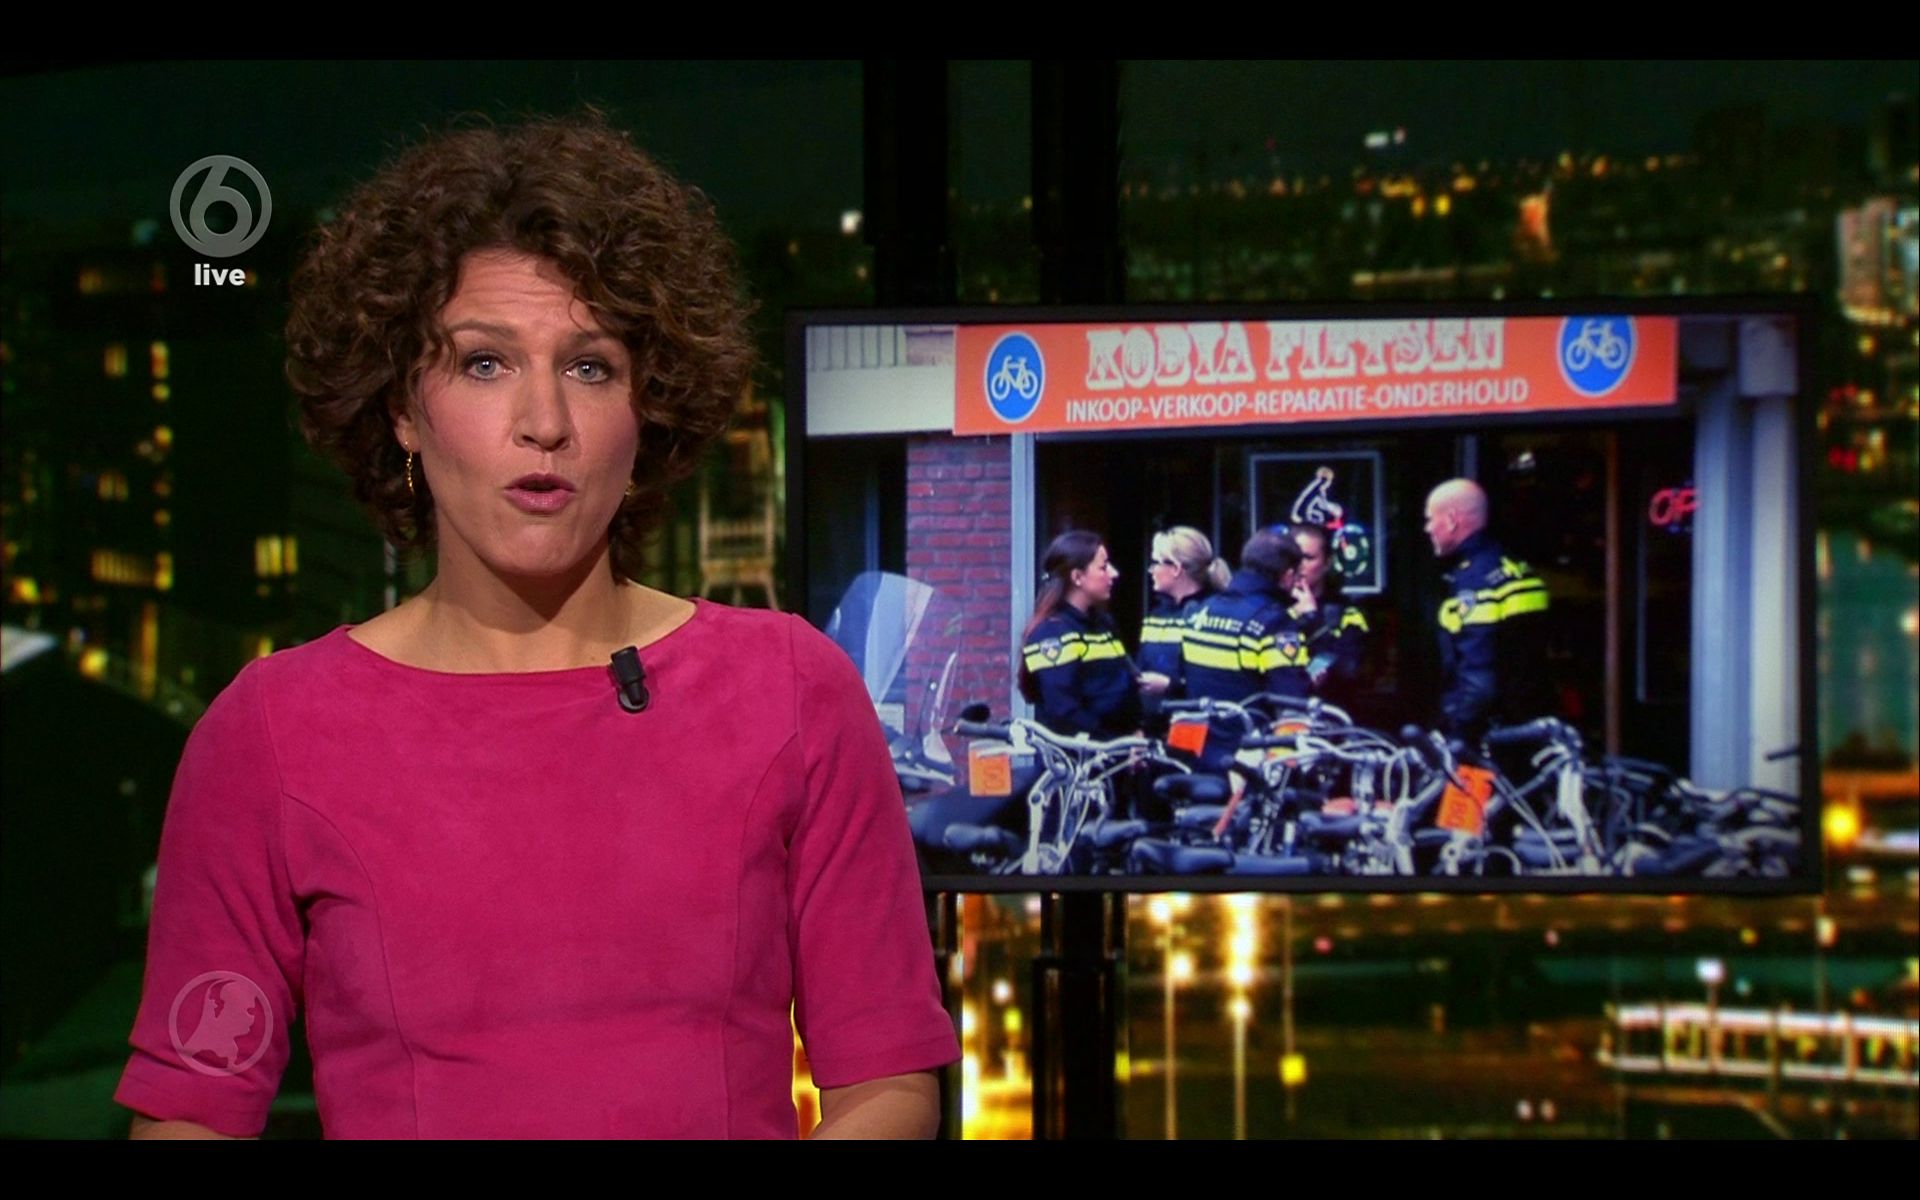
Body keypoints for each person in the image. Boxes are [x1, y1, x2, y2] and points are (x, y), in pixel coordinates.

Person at [114, 114, 957, 1140]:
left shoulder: (792, 690)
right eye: (485, 364)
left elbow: (888, 1084)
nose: (545, 422)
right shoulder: (272, 733)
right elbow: (190, 1114)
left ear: (648, 408)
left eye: (590, 367)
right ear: (402, 409)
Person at [1423, 477, 1551, 742]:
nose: (1428, 528)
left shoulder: (1473, 582)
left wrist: (1453, 735)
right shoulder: (1519, 568)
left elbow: (1479, 685)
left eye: (1430, 519)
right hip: (1532, 726)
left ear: (1451, 520)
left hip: (1491, 736)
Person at [1181, 530, 1325, 717]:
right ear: (1288, 576)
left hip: (1196, 732)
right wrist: (1309, 621)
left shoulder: (1198, 612)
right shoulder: (1274, 622)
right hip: (1249, 733)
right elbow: (1292, 702)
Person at [1018, 531, 1140, 739]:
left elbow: (1123, 687)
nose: (1114, 573)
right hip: (1081, 753)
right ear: (1077, 577)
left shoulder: (1103, 624)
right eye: (1103, 567)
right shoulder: (1051, 634)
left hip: (1123, 750)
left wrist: (1137, 731)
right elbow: (1064, 713)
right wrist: (1115, 743)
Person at [1136, 525, 1231, 702]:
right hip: (1152, 717)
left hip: (1194, 715)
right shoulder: (1156, 615)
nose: (1151, 570)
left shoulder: (1213, 615)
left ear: (1176, 569)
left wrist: (1171, 686)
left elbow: (1219, 682)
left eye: (1156, 563)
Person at [1281, 522, 1368, 697]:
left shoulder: (1348, 613)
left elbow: (1350, 669)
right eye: (1294, 557)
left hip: (1329, 706)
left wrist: (1312, 619)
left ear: (1327, 563)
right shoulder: (1273, 606)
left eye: (1308, 558)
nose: (1299, 565)